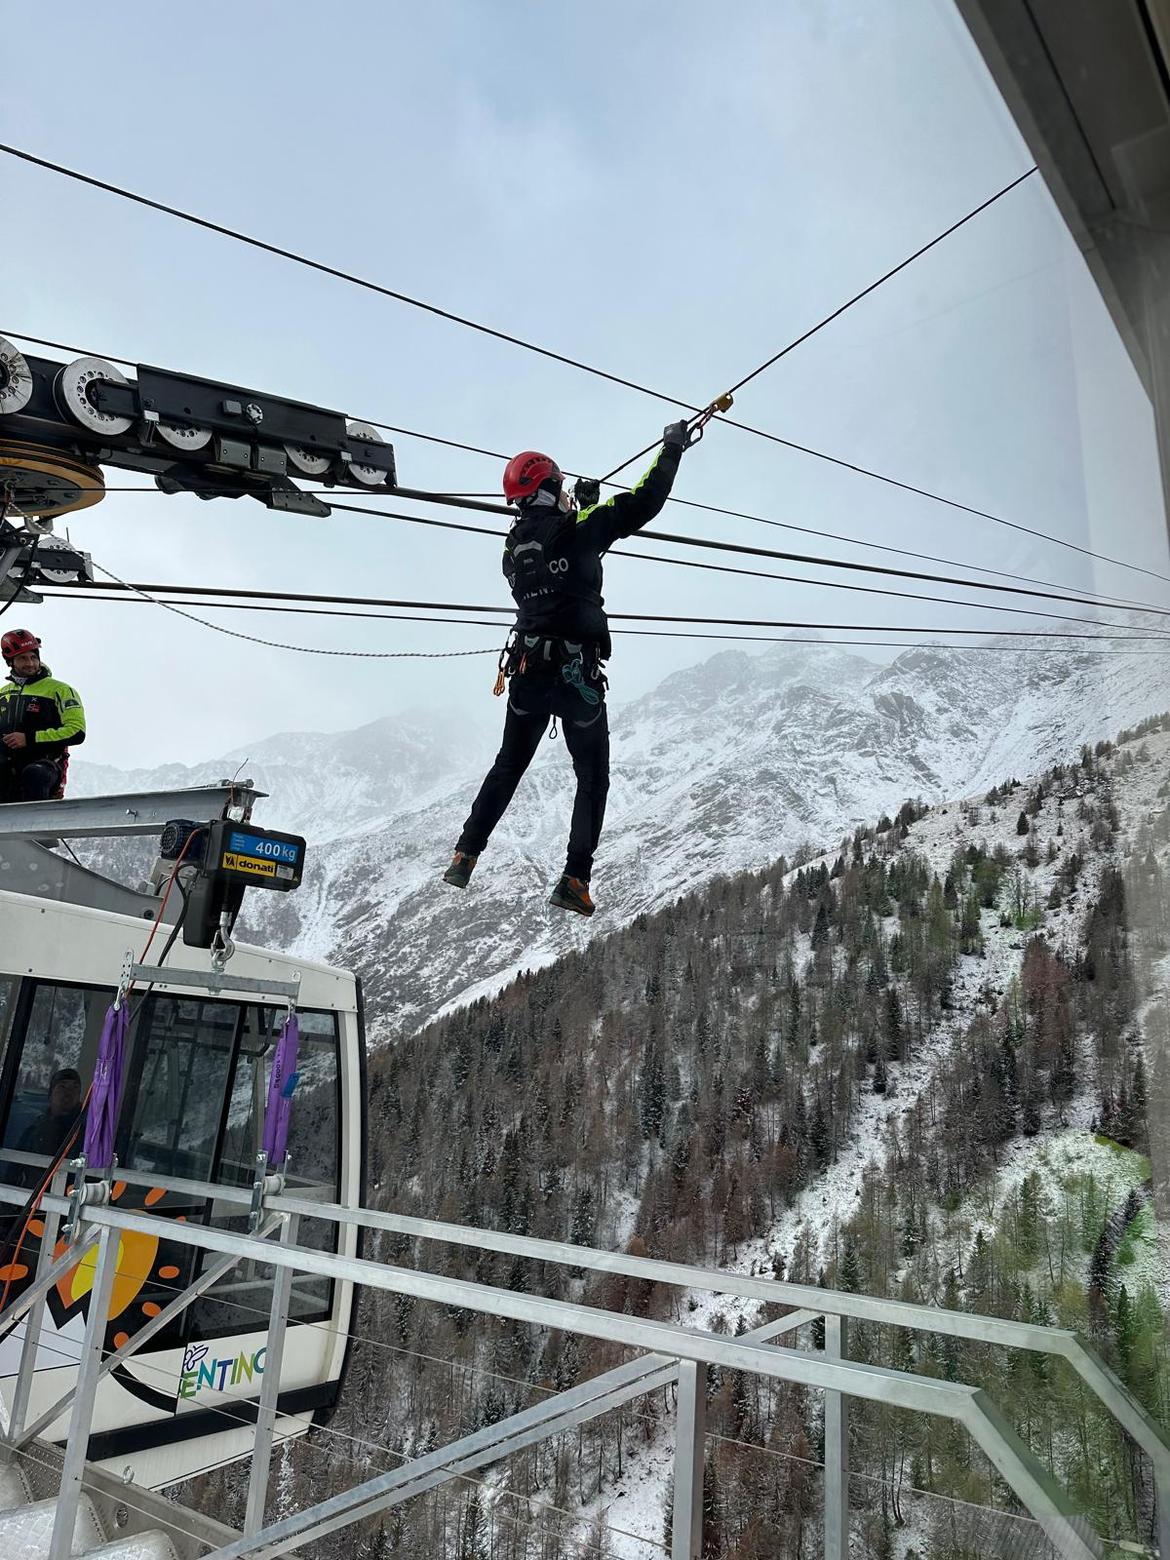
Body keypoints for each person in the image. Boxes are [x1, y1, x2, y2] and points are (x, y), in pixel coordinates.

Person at [443, 422, 692, 916]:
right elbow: (644, 502)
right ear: (550, 487)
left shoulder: (512, 553)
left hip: (528, 673)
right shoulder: (580, 529)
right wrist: (671, 450)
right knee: (592, 776)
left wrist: (580, 508)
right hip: (575, 678)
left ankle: (465, 854)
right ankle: (575, 878)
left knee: (508, 765)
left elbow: (558, 558)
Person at [0, 629, 86, 803]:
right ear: (11, 662)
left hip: (45, 766)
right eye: (22, 658)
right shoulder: (3, 694)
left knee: (34, 774)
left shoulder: (60, 690)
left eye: (33, 657)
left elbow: (77, 731)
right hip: (7, 767)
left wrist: (29, 739)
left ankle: (37, 827)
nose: (30, 663)